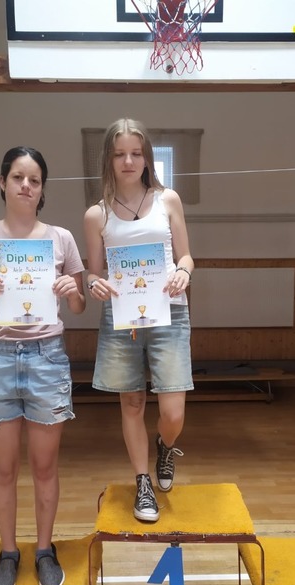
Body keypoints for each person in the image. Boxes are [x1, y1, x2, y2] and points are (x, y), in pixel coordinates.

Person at [0, 146, 85, 585]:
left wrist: (72, 289)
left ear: (42, 188)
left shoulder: (61, 239)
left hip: (46, 358)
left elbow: (78, 305)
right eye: (17, 177)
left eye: (34, 180)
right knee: (4, 469)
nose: (26, 186)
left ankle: (45, 550)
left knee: (45, 466)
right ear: (2, 182)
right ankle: (9, 552)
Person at [84, 118, 194, 523]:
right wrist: (93, 283)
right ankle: (142, 481)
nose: (128, 161)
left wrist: (183, 271)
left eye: (135, 153)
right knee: (131, 402)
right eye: (119, 154)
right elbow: (93, 272)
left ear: (147, 157)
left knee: (173, 411)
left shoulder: (168, 200)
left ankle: (165, 446)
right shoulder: (96, 215)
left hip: (169, 310)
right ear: (108, 160)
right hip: (122, 316)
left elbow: (186, 256)